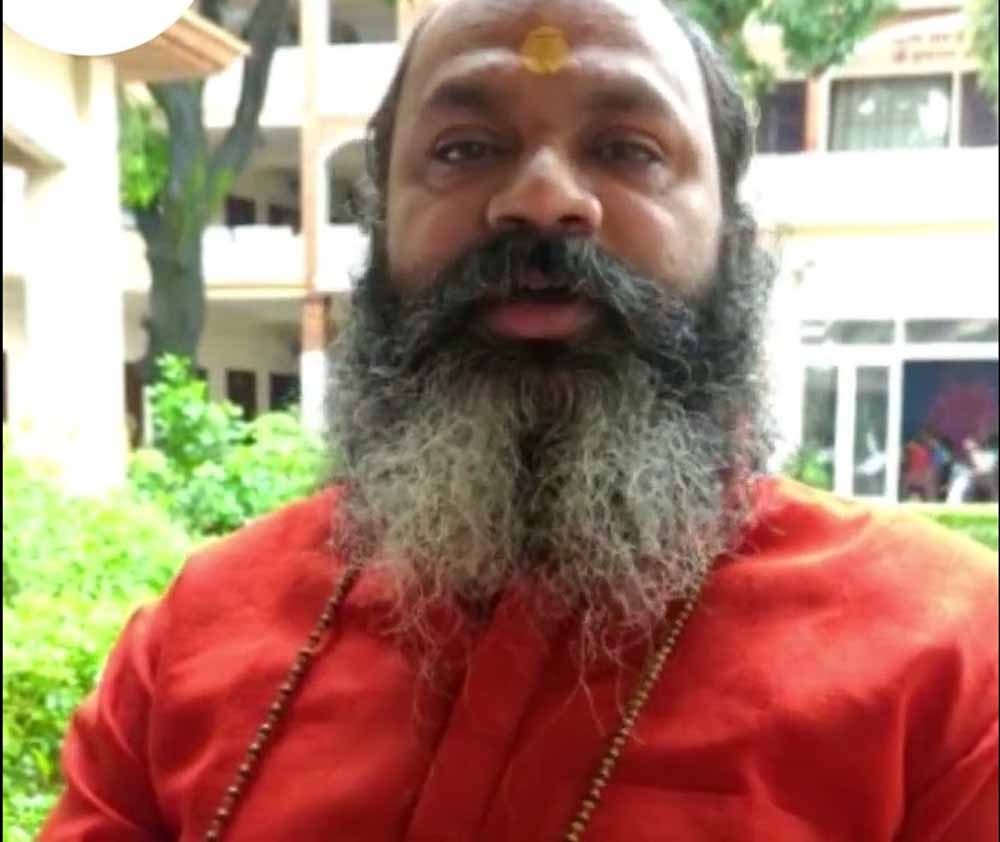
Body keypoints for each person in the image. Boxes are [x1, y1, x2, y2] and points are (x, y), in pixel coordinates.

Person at [41, 1, 998, 840]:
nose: (541, 199)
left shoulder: (952, 662)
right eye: (464, 149)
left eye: (627, 149)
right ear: (381, 233)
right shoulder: (193, 635)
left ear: (732, 241)